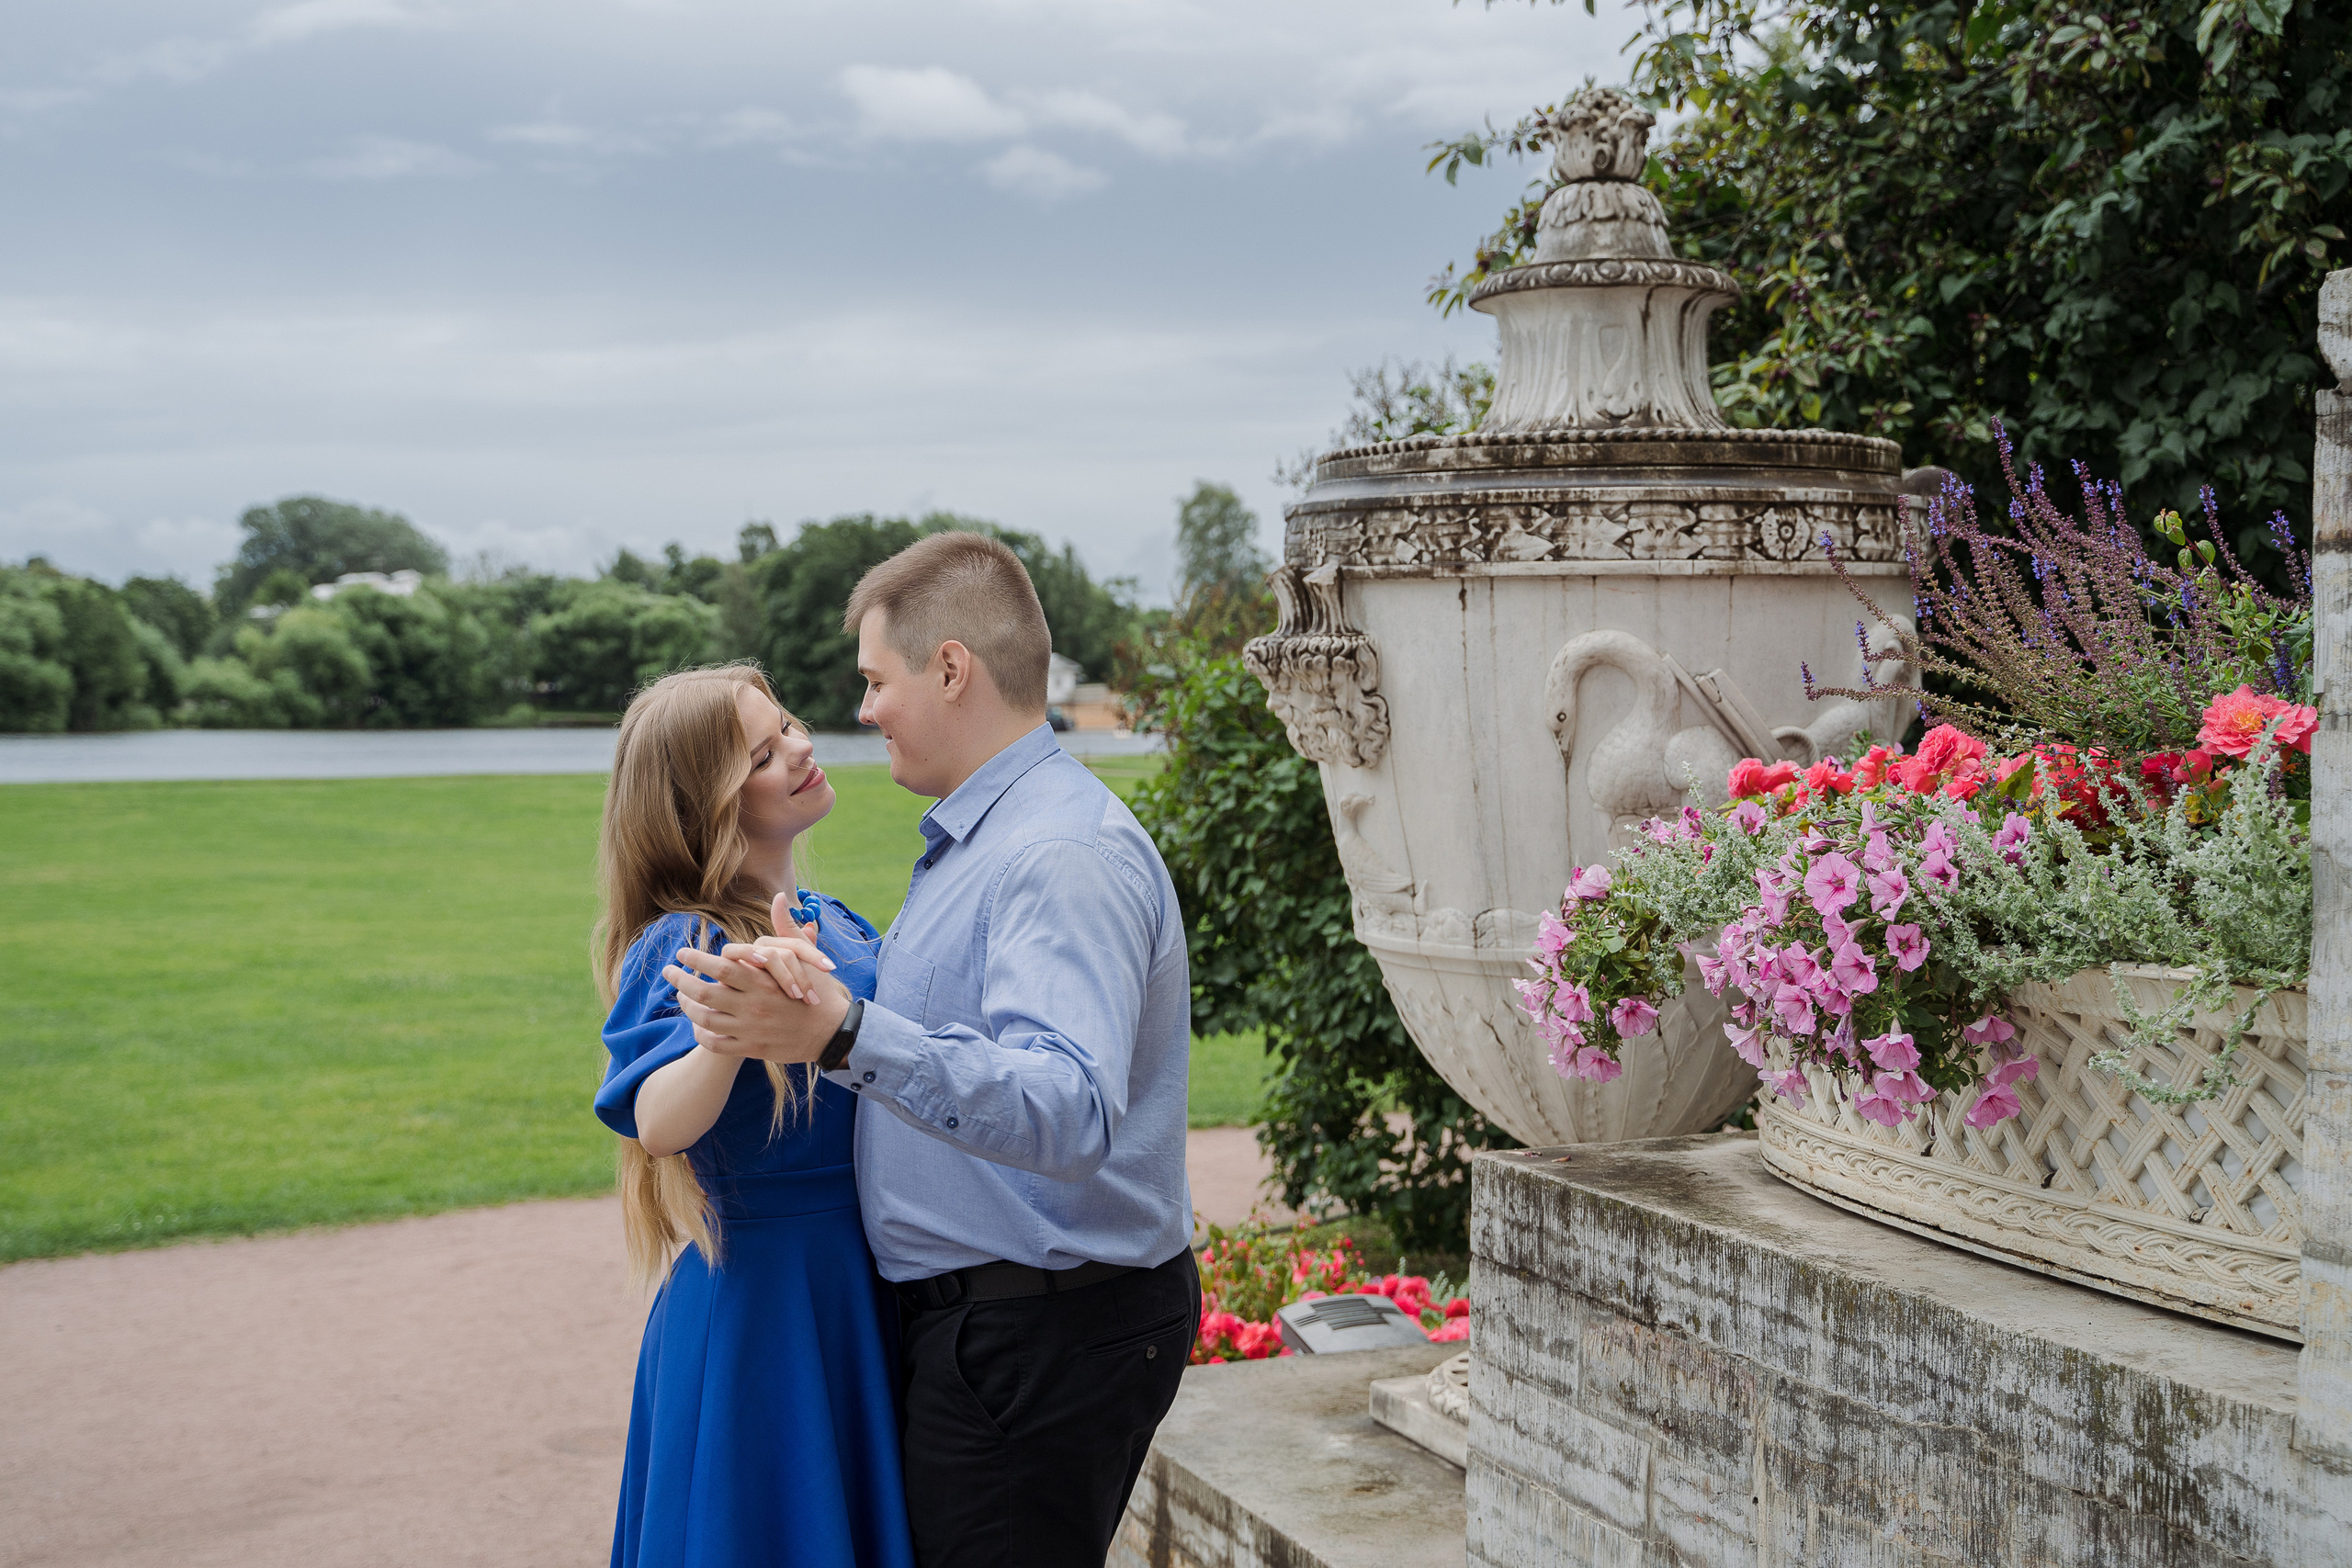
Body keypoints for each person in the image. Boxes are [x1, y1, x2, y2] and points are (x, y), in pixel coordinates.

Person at [666, 533, 1195, 1568]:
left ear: (951, 669)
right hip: (1005, 1326)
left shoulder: (1053, 854)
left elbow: (1070, 1110)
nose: (862, 712)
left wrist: (843, 1032)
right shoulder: (992, 837)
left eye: (876, 680)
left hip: (1033, 1332)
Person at [593, 665, 915, 1568]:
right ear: (703, 808)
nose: (802, 749)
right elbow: (656, 1121)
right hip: (764, 1309)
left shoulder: (837, 922)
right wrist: (727, 1031)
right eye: (764, 754)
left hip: (865, 1282)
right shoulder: (684, 942)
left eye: (790, 726)